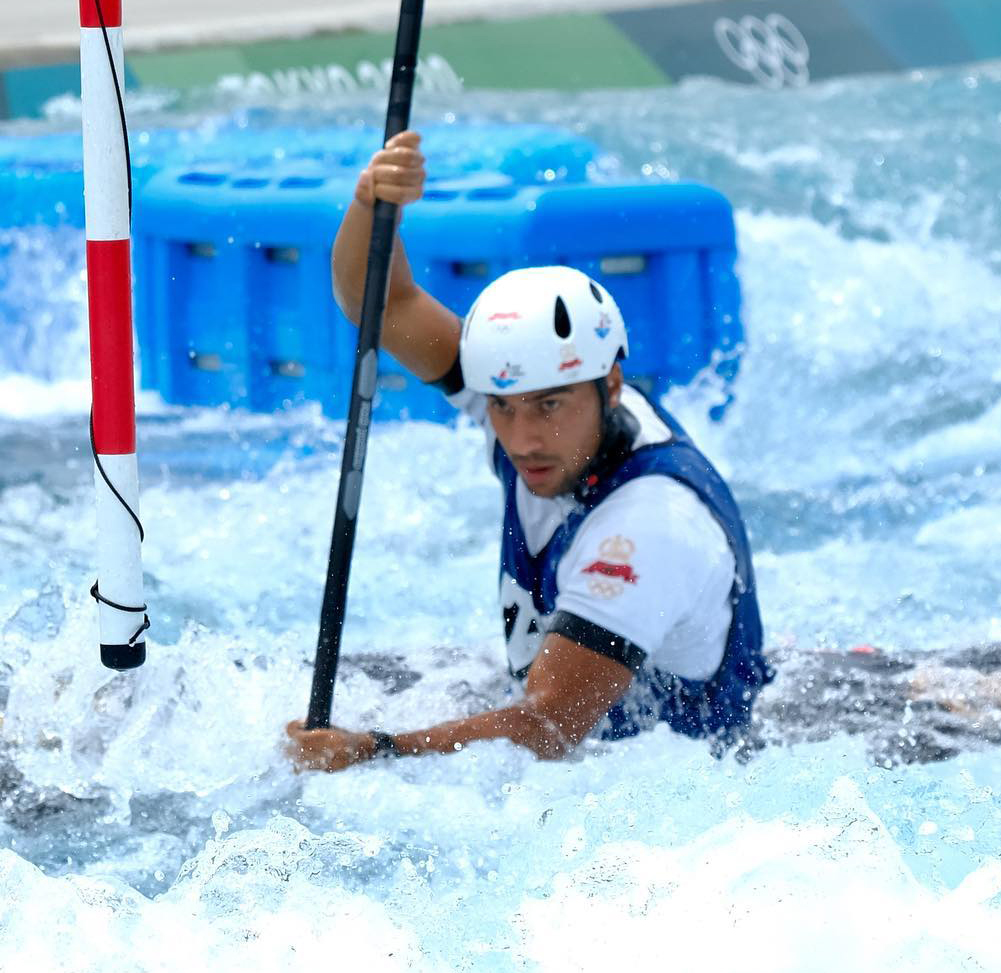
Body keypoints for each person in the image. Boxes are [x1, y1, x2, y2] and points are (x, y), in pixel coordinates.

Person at [286, 131, 773, 772]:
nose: (521, 439)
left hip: (690, 789)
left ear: (612, 386)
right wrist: (372, 202)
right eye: (503, 408)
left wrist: (373, 750)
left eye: (549, 406)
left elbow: (548, 727)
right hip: (580, 734)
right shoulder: (528, 397)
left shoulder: (649, 525)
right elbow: (380, 302)